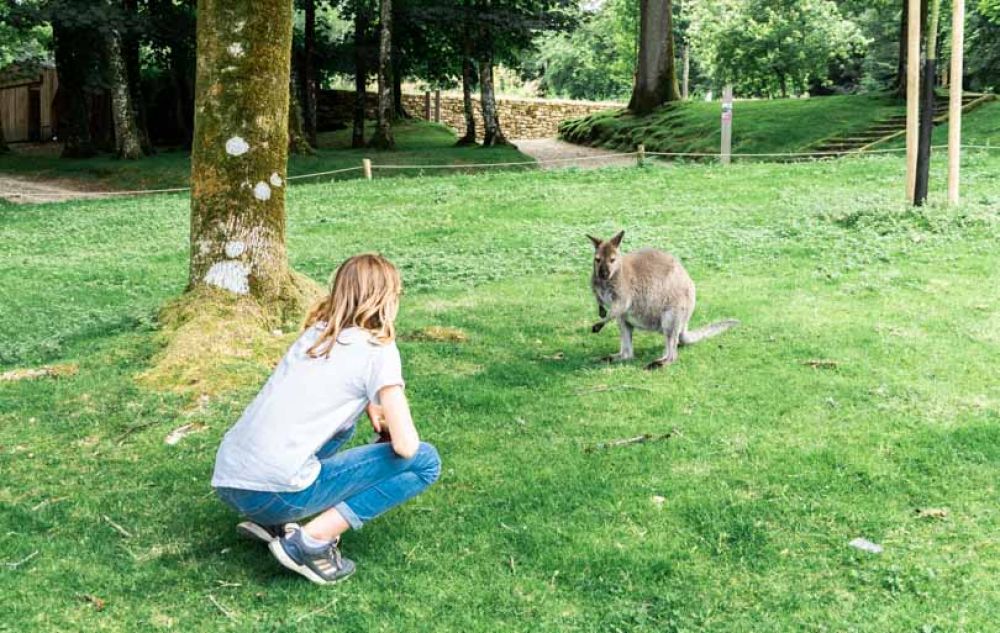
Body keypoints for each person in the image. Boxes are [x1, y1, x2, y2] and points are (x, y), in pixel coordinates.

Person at [211, 253, 441, 585]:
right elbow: (406, 446)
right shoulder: (379, 350)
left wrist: (369, 407)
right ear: (387, 300)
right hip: (273, 494)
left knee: (340, 429)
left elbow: (321, 390)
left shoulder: (317, 333)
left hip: (231, 481)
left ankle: (273, 523)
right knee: (425, 461)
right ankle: (310, 543)